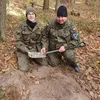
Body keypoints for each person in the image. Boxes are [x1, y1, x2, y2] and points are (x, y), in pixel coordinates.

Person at [41, 6, 80, 72]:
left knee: (69, 56)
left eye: (63, 17)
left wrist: (65, 46)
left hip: (66, 48)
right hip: (54, 49)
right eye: (58, 16)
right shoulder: (51, 23)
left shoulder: (71, 26)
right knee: (53, 63)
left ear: (66, 17)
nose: (60, 19)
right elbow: (44, 35)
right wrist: (44, 46)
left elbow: (76, 41)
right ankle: (58, 58)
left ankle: (73, 63)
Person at [16, 7, 47, 72]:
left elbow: (43, 38)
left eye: (33, 14)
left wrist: (43, 47)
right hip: (24, 50)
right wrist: (27, 51)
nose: (31, 16)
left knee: (44, 63)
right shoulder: (21, 26)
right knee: (23, 69)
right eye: (29, 14)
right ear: (26, 15)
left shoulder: (40, 26)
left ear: (35, 15)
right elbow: (18, 42)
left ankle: (32, 58)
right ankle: (24, 57)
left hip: (35, 49)